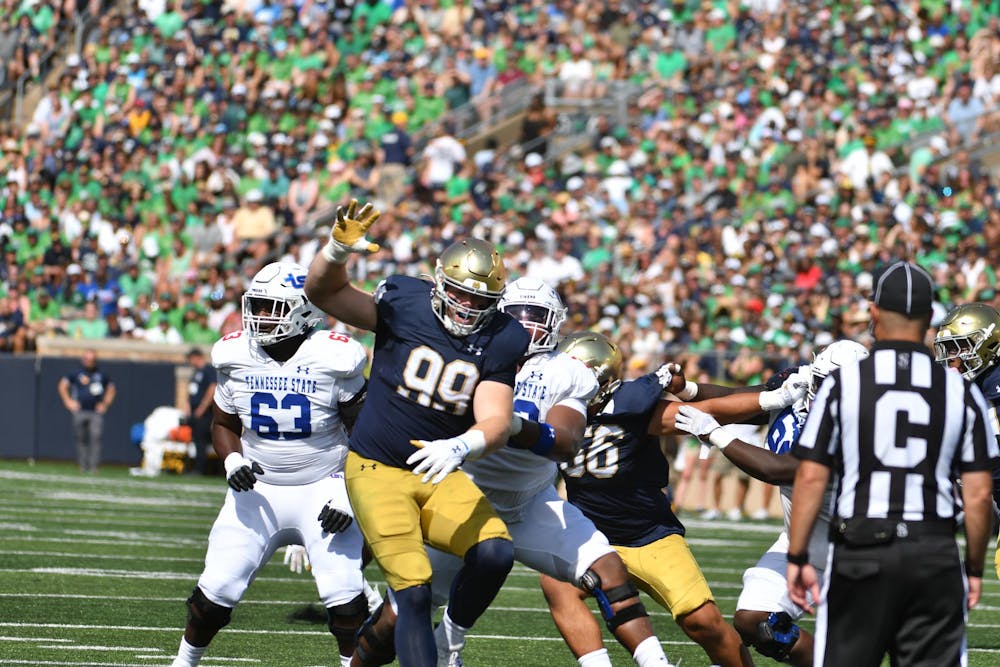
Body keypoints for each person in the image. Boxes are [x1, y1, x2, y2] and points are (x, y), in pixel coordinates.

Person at [304, 200, 530, 667]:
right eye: (460, 294)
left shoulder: (505, 336)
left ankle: (450, 639)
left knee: (495, 553)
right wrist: (334, 251)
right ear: (437, 280)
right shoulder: (403, 301)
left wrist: (462, 444)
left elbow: (495, 417)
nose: (467, 307)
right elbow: (325, 294)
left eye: (480, 301)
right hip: (375, 468)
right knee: (413, 592)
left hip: (437, 468)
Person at [422, 277, 676, 667]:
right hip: (463, 499)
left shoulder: (565, 371)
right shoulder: (470, 356)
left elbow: (565, 441)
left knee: (610, 572)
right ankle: (446, 643)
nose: (526, 324)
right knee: (401, 615)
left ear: (555, 322)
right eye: (516, 314)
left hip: (531, 503)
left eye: (536, 315)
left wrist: (512, 427)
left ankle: (655, 663)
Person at [540, 331, 807, 667]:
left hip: (650, 536)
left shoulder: (630, 409)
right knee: (557, 585)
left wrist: (772, 400)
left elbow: (709, 409)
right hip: (590, 534)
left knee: (704, 623)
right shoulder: (550, 408)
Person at [787, 261, 999, 666]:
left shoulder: (843, 383)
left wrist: (797, 556)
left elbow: (810, 476)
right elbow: (979, 493)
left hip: (861, 548)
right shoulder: (960, 391)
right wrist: (972, 567)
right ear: (928, 321)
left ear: (874, 313)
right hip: (934, 551)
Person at [170, 262, 372, 667]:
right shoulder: (235, 354)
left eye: (272, 308)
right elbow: (223, 422)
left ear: (303, 310)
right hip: (258, 485)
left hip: (325, 481)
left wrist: (351, 496)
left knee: (346, 601)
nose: (260, 317)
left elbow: (368, 437)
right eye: (257, 306)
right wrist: (231, 461)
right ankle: (183, 664)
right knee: (212, 596)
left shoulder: (334, 356)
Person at [675, 341, 870, 666]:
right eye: (818, 381)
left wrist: (716, 434)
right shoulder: (800, 382)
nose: (817, 392)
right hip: (798, 543)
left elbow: (780, 470)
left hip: (852, 554)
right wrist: (687, 388)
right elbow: (739, 398)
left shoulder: (857, 426)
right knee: (756, 622)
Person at [58, 349, 116, 473]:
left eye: (92, 360)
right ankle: (83, 465)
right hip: (80, 411)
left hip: (95, 412)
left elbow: (111, 389)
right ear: (83, 360)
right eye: (88, 360)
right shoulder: (76, 372)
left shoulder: (101, 374)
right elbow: (62, 385)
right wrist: (68, 402)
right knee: (81, 439)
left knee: (96, 438)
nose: (90, 362)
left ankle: (94, 466)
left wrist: (105, 404)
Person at [185, 347, 216, 475]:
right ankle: (193, 467)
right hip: (194, 410)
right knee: (195, 440)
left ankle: (200, 469)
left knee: (201, 441)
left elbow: (212, 387)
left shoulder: (208, 370)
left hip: (203, 412)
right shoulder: (196, 372)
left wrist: (202, 407)